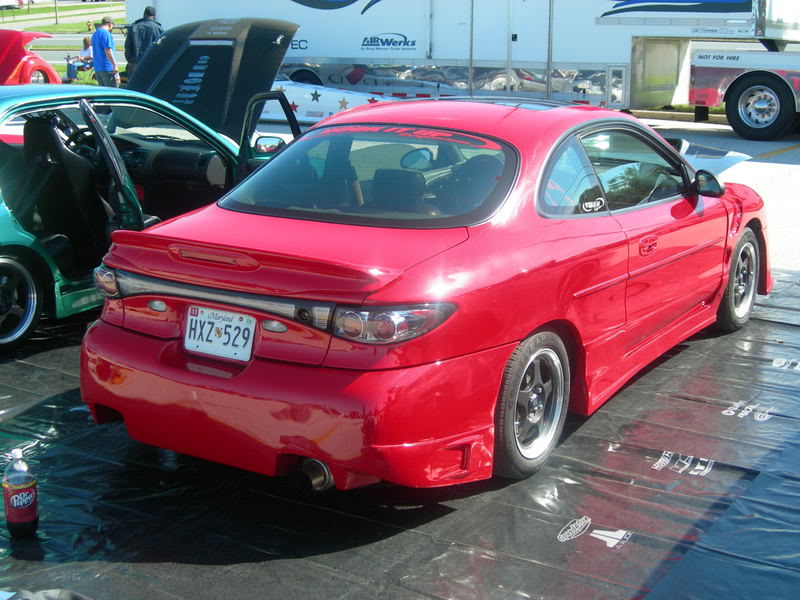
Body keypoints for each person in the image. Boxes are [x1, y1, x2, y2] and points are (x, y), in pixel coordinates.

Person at [124, 5, 164, 77]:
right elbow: (162, 48)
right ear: (154, 16)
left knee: (134, 86)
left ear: (144, 14)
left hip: (135, 63)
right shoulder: (159, 29)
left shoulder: (134, 27)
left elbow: (128, 46)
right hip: (152, 63)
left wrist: (130, 61)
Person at [91, 16, 119, 87]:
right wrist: (114, 64)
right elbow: (108, 50)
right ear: (110, 24)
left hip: (97, 67)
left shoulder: (95, 34)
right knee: (113, 92)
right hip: (107, 67)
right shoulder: (106, 34)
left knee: (103, 91)